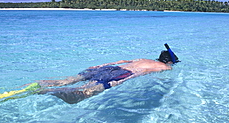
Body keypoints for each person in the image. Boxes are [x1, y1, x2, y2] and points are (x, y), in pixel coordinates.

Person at [36, 45, 180, 104]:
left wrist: (100, 66)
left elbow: (122, 61)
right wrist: (123, 80)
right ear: (170, 62)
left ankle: (43, 84)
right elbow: (146, 72)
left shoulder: (143, 59)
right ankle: (48, 91)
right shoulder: (165, 67)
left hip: (111, 67)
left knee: (71, 80)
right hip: (123, 73)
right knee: (85, 92)